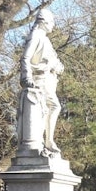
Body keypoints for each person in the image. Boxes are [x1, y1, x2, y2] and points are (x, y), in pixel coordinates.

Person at [19, 9, 64, 155]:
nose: (53, 25)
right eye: (52, 22)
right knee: (53, 107)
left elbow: (51, 59)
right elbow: (26, 58)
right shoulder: (36, 36)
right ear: (44, 22)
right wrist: (27, 77)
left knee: (47, 109)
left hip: (48, 79)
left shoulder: (44, 38)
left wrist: (57, 66)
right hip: (41, 79)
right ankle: (47, 141)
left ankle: (46, 141)